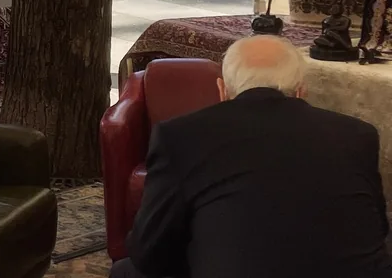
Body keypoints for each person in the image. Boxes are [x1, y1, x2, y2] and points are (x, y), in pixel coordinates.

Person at [114, 34, 392, 278]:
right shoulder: (358, 134)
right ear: (300, 91)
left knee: (126, 270)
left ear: (222, 91)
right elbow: (378, 228)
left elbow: (149, 254)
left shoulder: (179, 136)